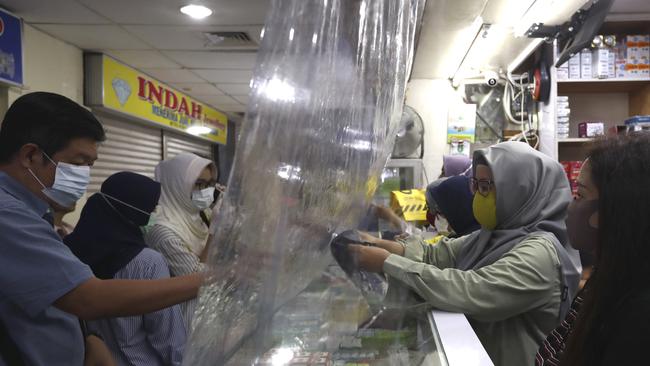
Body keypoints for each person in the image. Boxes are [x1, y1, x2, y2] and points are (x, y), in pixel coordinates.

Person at [0, 92, 202, 366]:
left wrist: (88, 339)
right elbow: (87, 298)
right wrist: (210, 279)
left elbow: (52, 297)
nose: (84, 177)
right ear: (31, 155)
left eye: (90, 166)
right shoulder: (8, 215)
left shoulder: (36, 214)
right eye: (79, 163)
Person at [349, 141, 581, 366]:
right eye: (477, 185)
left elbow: (471, 289)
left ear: (520, 190)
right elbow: (437, 254)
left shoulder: (541, 253)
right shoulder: (492, 236)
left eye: (487, 187)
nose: (479, 195)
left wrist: (387, 262)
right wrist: (374, 242)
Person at [536, 133, 650, 366]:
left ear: (618, 208)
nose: (571, 205)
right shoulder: (611, 274)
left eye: (580, 195)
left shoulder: (638, 314)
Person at [65, 172, 186, 365]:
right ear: (135, 211)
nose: (154, 213)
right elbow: (168, 337)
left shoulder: (67, 252)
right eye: (151, 208)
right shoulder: (148, 262)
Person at [145, 152, 217, 331]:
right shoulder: (162, 230)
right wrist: (216, 232)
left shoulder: (200, 215)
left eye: (209, 185)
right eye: (198, 184)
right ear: (177, 184)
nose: (206, 192)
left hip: (207, 314)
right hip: (183, 324)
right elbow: (199, 277)